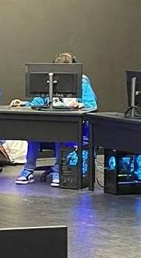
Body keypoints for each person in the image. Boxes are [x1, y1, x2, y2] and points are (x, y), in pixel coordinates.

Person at [10, 52, 97, 187]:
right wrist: (24, 104)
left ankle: (58, 171)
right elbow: (38, 101)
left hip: (72, 128)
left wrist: (81, 105)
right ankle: (28, 170)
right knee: (33, 133)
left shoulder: (82, 82)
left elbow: (92, 105)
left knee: (59, 133)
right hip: (49, 125)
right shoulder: (50, 79)